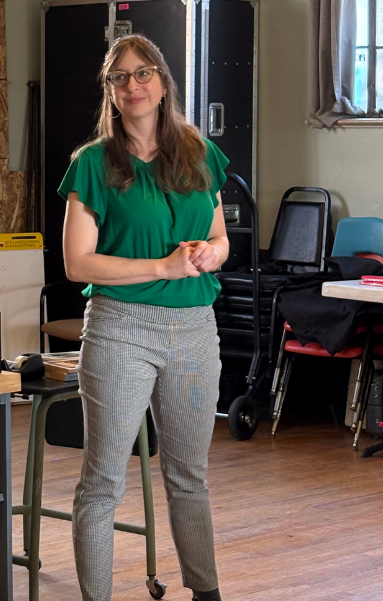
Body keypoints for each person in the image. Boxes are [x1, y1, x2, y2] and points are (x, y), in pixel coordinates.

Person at [58, 33, 229, 601]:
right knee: (102, 483)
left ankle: (207, 593)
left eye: (143, 73)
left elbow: (220, 238)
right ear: (110, 90)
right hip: (120, 330)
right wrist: (162, 265)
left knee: (189, 477)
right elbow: (77, 262)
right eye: (120, 77)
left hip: (195, 330)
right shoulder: (92, 163)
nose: (133, 85)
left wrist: (209, 255)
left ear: (162, 82)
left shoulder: (199, 152)